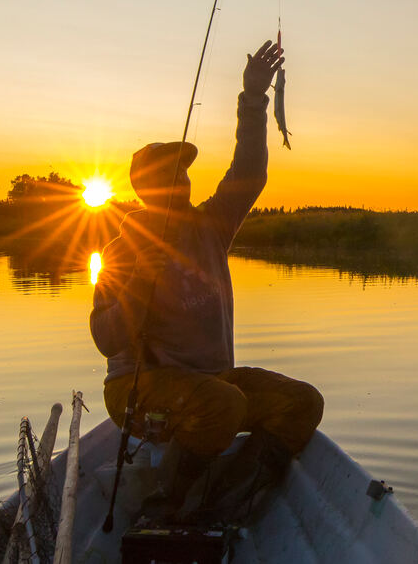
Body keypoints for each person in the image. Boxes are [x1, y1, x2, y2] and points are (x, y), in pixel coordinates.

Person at [90, 39, 324, 523]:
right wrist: (138, 284)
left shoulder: (210, 227)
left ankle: (225, 500)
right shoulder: (122, 249)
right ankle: (169, 502)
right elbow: (105, 338)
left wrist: (254, 98)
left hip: (212, 386)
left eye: (184, 171)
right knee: (224, 404)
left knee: (301, 403)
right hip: (138, 392)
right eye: (170, 174)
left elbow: (249, 172)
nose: (183, 179)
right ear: (147, 189)